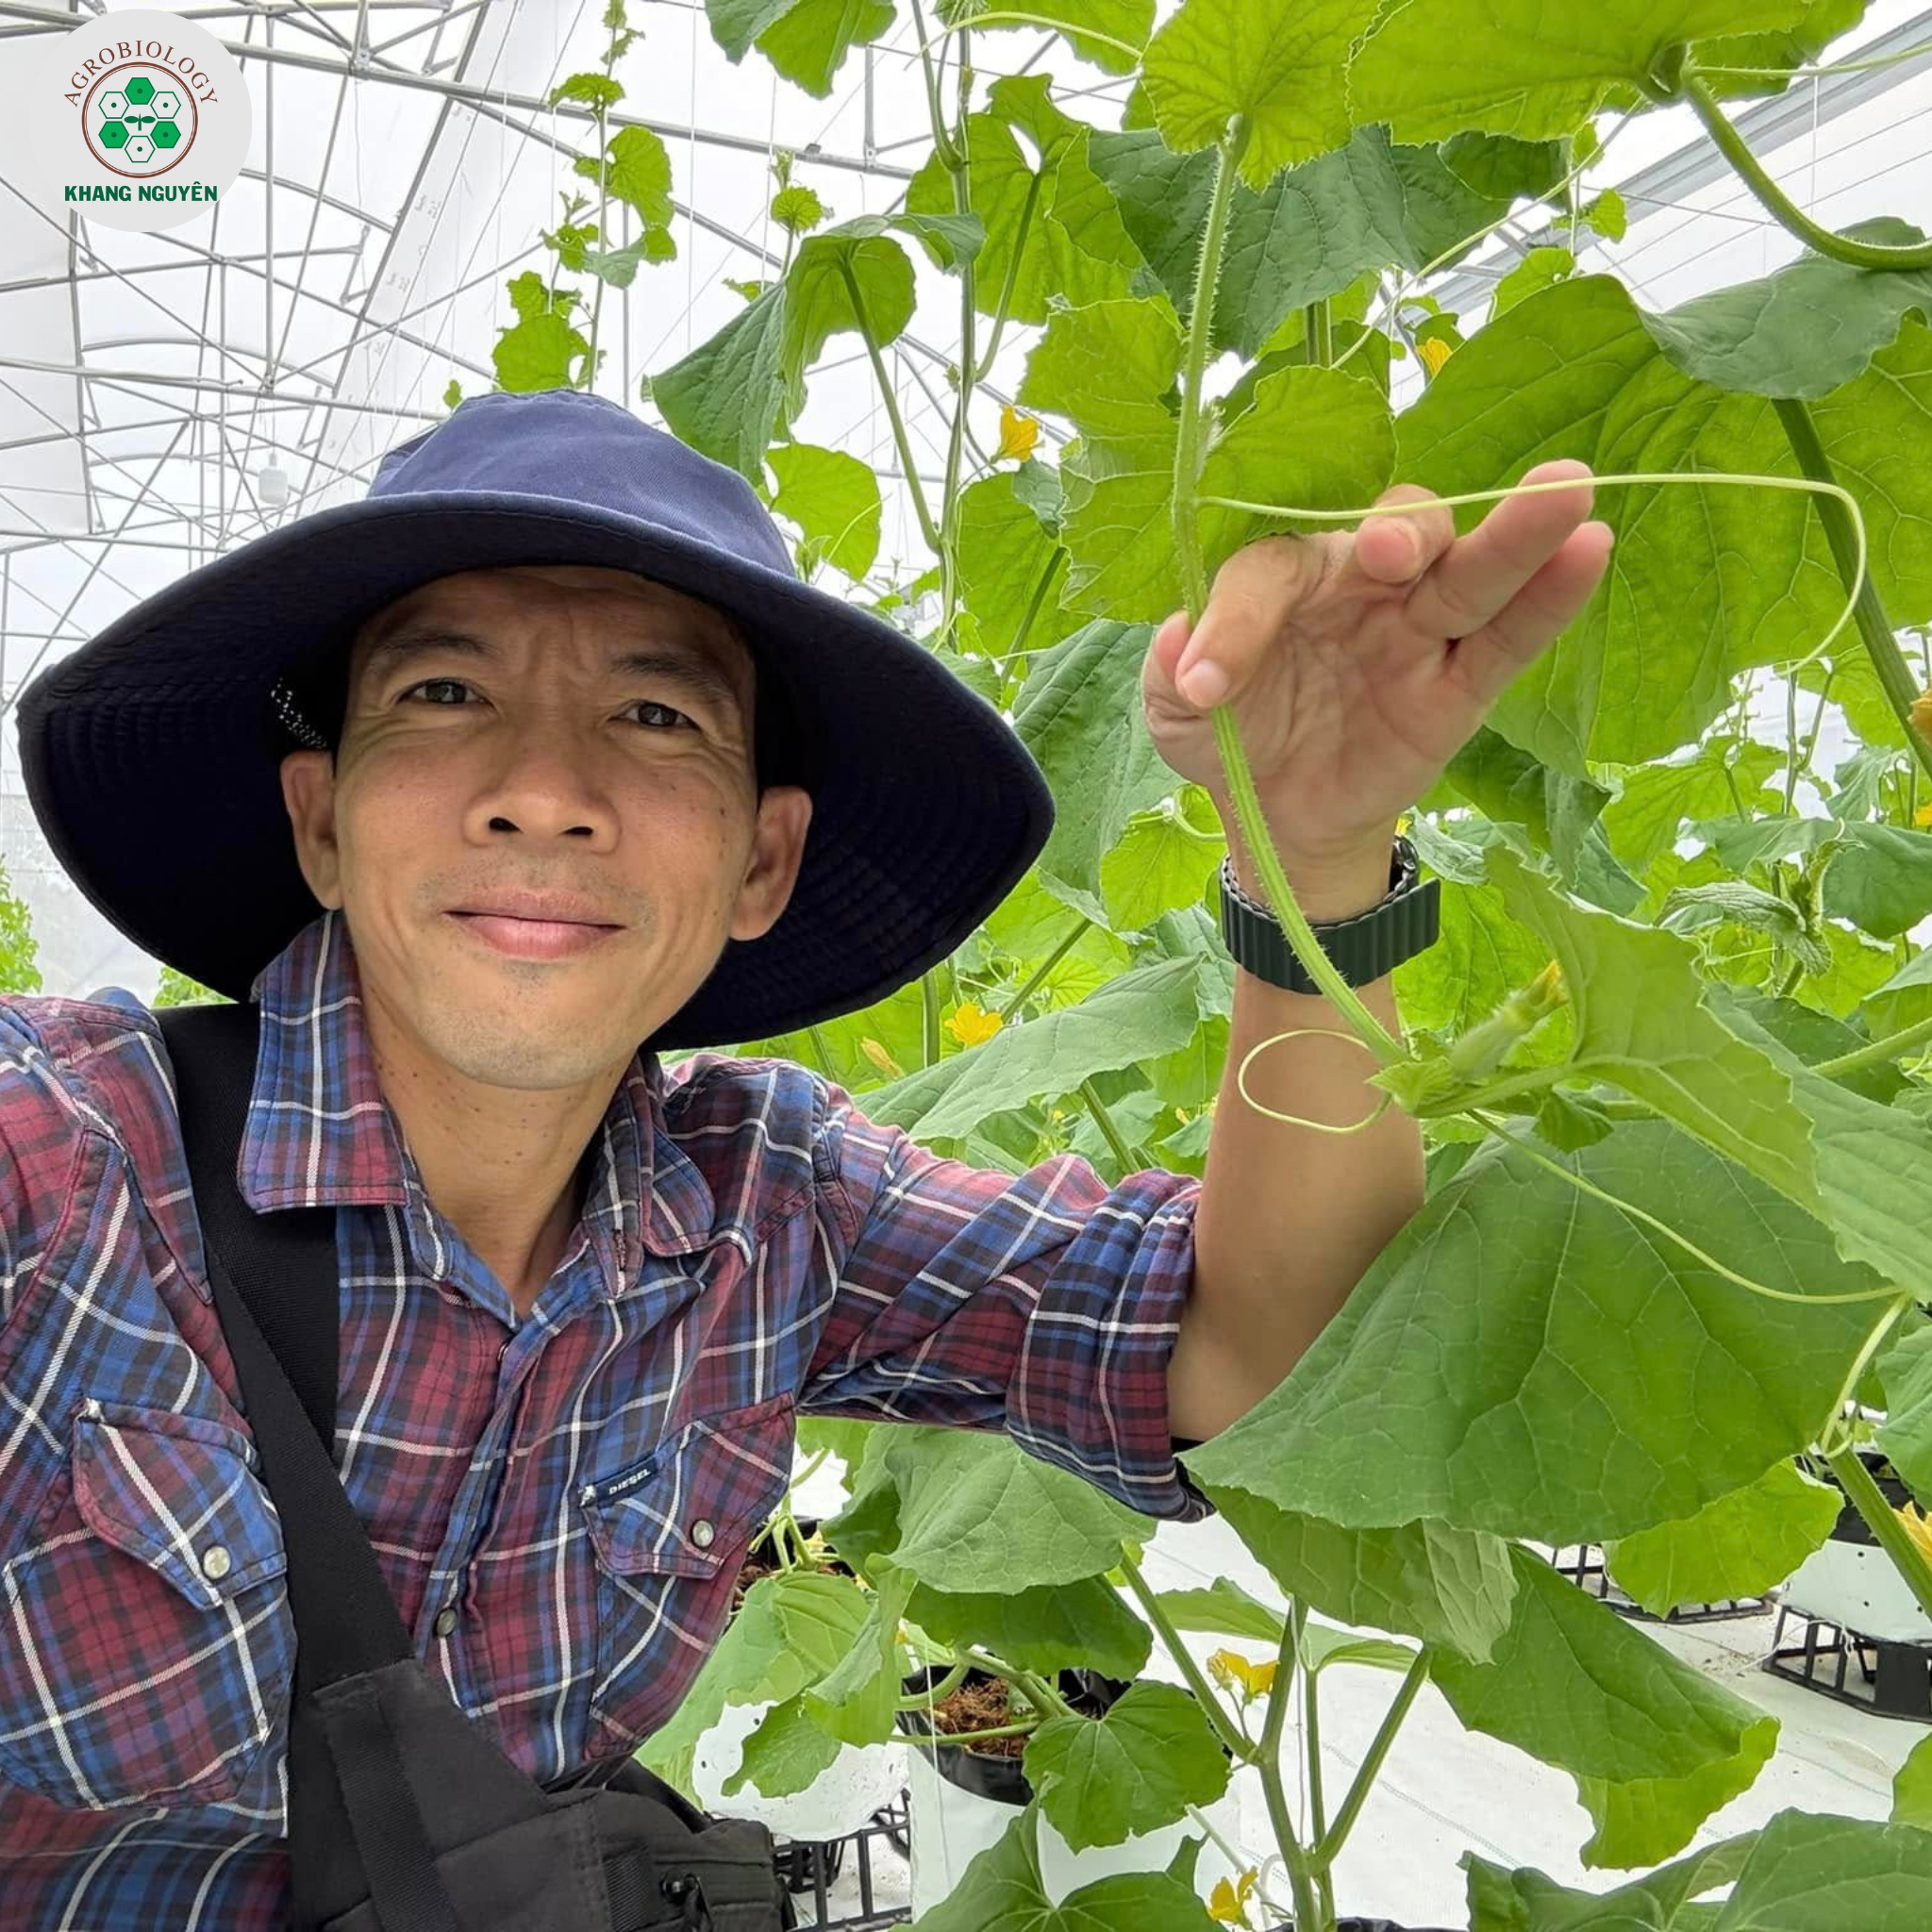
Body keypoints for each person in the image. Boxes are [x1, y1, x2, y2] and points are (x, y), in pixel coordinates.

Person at [0, 387, 1611, 1926]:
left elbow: (1256, 1355)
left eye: (655, 714)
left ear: (763, 861)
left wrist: (1312, 855)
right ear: (321, 822)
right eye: (443, 694)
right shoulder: (62, 1165)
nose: (544, 793)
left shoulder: (767, 1207)